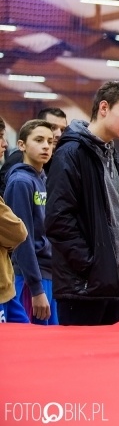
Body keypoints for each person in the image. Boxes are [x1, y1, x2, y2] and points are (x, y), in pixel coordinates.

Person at [45, 81, 119, 326]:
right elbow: (58, 220)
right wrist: (91, 265)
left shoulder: (114, 159)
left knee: (112, 363)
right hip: (84, 286)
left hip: (113, 281)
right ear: (104, 108)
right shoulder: (70, 153)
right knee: (80, 363)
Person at [4, 119, 57, 324]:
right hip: (29, 279)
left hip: (49, 275)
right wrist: (35, 288)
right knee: (33, 345)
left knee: (52, 344)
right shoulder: (20, 182)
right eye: (39, 140)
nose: (46, 146)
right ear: (22, 145)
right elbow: (22, 240)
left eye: (50, 141)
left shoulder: (42, 180)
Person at [0, 115, 29, 324]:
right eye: (0, 137)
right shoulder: (20, 181)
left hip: (8, 285)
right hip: (18, 277)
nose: (4, 144)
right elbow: (18, 231)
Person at [0, 107, 67, 196]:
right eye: (53, 127)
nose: (59, 134)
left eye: (62, 130)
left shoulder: (55, 161)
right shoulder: (18, 162)